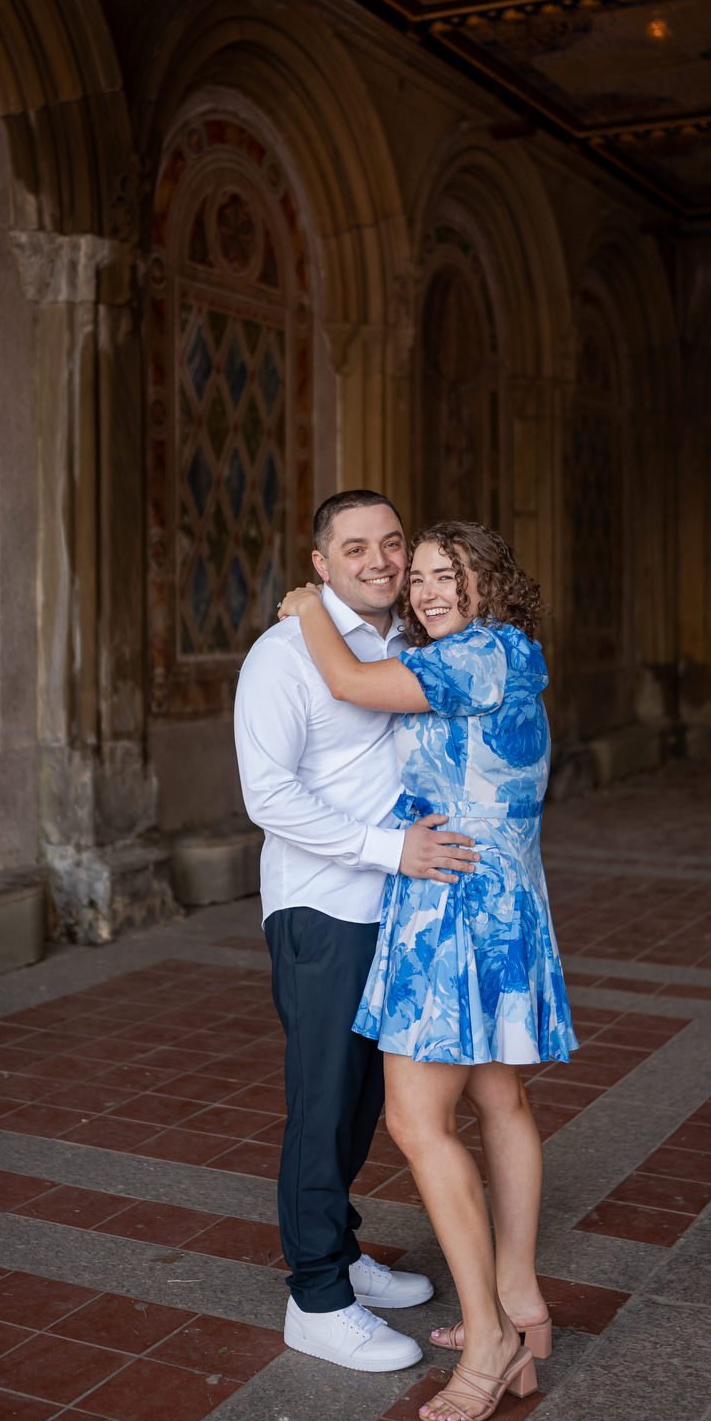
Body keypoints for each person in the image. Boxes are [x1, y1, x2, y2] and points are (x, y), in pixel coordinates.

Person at [278, 519, 576, 1421]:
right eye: (423, 578)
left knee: (415, 1121)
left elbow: (347, 680)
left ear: (493, 582)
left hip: (451, 912)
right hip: (505, 905)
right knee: (500, 1104)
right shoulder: (510, 654)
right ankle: (520, 1301)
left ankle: (486, 1340)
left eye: (452, 575)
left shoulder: (473, 656)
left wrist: (307, 610)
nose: (427, 590)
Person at [234, 491, 479, 1372]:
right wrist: (388, 848)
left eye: (391, 543)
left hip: (396, 908)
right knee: (324, 1100)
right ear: (320, 564)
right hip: (322, 908)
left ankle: (341, 1251)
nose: (378, 560)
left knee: (369, 1100)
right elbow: (268, 797)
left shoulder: (405, 645)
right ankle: (317, 1296)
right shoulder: (281, 657)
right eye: (355, 548)